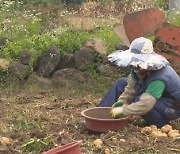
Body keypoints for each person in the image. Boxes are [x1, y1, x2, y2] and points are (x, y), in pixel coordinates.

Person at [98, 37, 180, 127]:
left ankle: (160, 123)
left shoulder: (159, 78)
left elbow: (145, 105)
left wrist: (123, 110)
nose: (136, 69)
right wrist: (121, 102)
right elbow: (130, 89)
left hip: (172, 106)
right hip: (155, 95)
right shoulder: (137, 68)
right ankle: (100, 115)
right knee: (121, 83)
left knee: (139, 100)